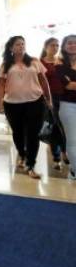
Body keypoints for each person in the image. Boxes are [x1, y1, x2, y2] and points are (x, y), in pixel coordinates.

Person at [0, 36, 53, 179]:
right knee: (18, 132)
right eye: (17, 44)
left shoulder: (34, 61)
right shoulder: (5, 64)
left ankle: (31, 165)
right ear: (11, 48)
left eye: (23, 44)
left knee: (34, 134)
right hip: (12, 104)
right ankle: (22, 153)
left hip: (35, 102)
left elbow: (43, 80)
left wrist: (48, 99)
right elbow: (0, 84)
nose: (21, 46)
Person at [40, 37, 69, 169]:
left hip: (64, 98)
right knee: (54, 128)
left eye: (57, 45)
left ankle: (62, 153)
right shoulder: (40, 63)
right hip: (48, 100)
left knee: (62, 127)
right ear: (46, 47)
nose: (55, 48)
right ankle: (58, 155)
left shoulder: (62, 62)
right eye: (52, 45)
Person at [58, 34, 76, 180]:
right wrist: (70, 84)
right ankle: (75, 170)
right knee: (72, 140)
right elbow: (68, 85)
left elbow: (72, 84)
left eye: (75, 43)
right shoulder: (60, 65)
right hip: (68, 106)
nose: (72, 45)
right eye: (69, 43)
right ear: (64, 46)